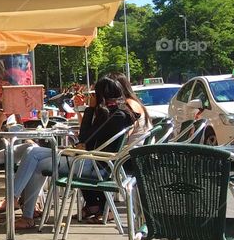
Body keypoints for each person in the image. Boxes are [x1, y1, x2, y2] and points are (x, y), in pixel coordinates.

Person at [8, 77, 135, 230]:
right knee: (31, 151)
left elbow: (85, 138)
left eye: (94, 94)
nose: (91, 97)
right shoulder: (116, 113)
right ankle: (17, 202)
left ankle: (19, 207)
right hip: (87, 160)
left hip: (93, 165)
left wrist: (89, 110)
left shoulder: (117, 116)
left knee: (35, 160)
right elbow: (86, 140)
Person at [107, 71, 151, 139]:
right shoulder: (133, 101)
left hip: (134, 148)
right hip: (142, 146)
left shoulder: (128, 105)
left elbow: (122, 138)